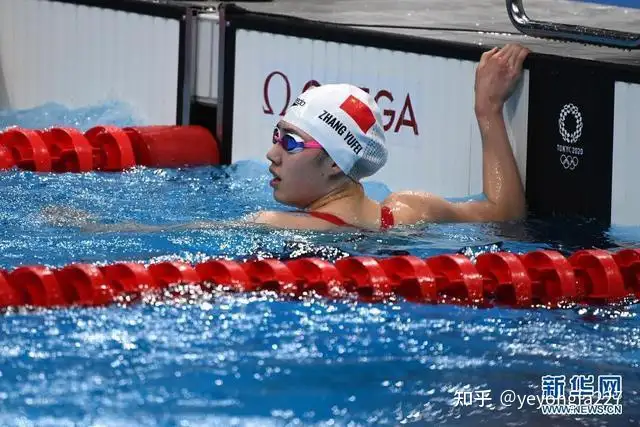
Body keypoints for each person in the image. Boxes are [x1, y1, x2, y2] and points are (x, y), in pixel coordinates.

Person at [43, 43, 529, 233]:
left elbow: (172, 234)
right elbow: (503, 215)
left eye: (293, 143)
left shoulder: (284, 225)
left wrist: (89, 226)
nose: (272, 153)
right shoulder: (408, 209)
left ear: (336, 163)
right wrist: (487, 113)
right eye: (279, 136)